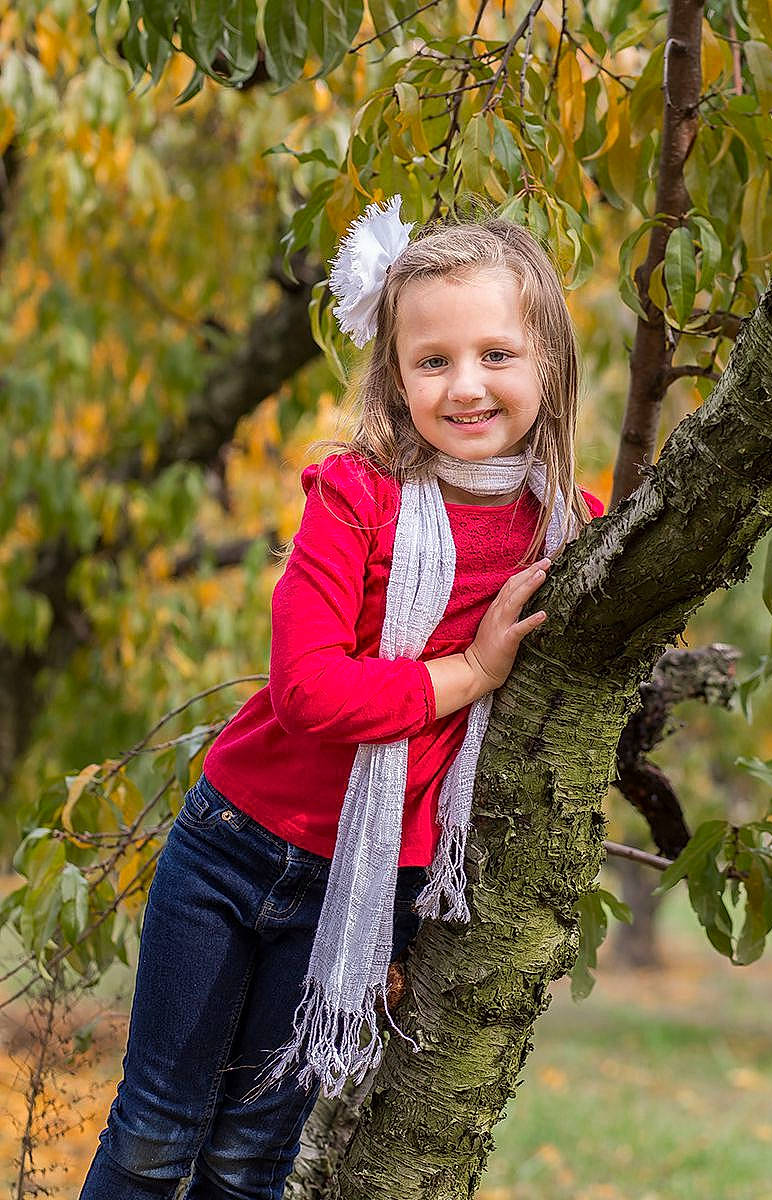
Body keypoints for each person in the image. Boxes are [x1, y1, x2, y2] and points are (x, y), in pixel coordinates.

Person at [80, 198, 604, 1200]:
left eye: (496, 354)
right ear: (394, 374)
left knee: (249, 1158)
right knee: (154, 1135)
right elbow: (308, 692)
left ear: (549, 363)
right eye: (432, 360)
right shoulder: (355, 496)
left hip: (363, 887)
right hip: (231, 849)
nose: (465, 385)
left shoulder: (568, 533)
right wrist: (469, 673)